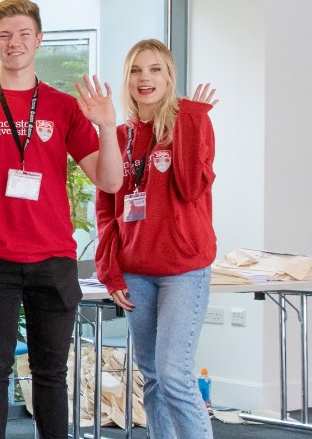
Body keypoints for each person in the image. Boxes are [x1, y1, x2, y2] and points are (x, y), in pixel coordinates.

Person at [0, 0, 124, 439]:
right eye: (5, 35)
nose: (14, 43)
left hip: (53, 258)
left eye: (23, 34)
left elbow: (109, 181)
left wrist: (107, 127)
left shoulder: (63, 106)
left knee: (51, 372)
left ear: (39, 40)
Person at [94, 38, 218, 439]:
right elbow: (106, 209)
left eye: (154, 70)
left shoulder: (190, 124)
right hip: (135, 272)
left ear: (169, 76)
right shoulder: (120, 135)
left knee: (174, 374)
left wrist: (192, 119)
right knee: (152, 376)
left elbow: (190, 187)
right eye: (135, 70)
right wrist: (110, 270)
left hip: (183, 269)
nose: (144, 78)